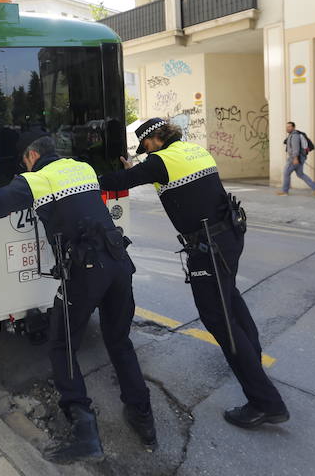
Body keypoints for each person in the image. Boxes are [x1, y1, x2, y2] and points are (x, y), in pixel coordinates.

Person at [99, 117, 289, 429]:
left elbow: (116, 182)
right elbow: (160, 175)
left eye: (145, 146)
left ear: (157, 139)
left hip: (209, 248)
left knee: (218, 319)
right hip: (230, 236)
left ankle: (265, 402)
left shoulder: (161, 161)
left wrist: (90, 179)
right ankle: (250, 359)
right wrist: (137, 169)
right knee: (230, 300)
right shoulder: (194, 152)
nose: (144, 152)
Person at [0, 133, 155, 463]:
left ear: (31, 156)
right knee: (119, 341)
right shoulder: (82, 168)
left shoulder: (37, 179)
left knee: (62, 343)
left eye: (24, 161)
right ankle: (144, 420)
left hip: (87, 269)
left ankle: (84, 432)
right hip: (119, 262)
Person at [279, 122, 315, 197]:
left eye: (289, 127)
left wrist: (295, 158)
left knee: (286, 173)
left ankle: (285, 191)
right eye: (286, 127)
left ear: (293, 127)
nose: (287, 128)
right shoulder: (293, 135)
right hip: (300, 158)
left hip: (294, 158)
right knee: (300, 174)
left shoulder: (295, 136)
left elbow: (296, 148)